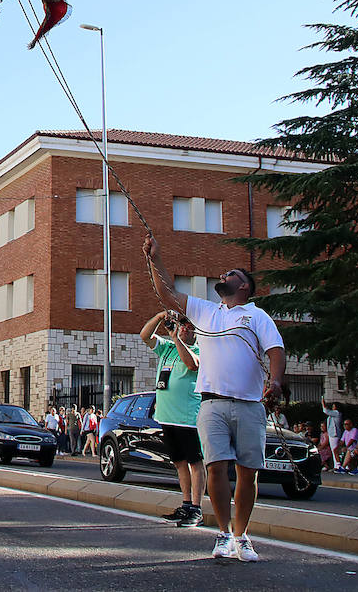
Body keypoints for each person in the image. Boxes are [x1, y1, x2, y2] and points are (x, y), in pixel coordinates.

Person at [143, 235, 283, 563]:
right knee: (216, 468)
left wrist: (275, 381)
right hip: (211, 404)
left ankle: (241, 535)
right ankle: (222, 532)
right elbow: (167, 293)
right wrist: (155, 259)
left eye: (231, 275)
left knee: (248, 472)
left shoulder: (257, 317)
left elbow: (276, 350)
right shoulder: (206, 312)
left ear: (245, 287)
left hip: (249, 405)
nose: (223, 277)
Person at [139, 309, 205, 526]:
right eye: (182, 324)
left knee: (195, 462)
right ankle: (185, 504)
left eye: (189, 326)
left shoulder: (200, 350)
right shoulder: (167, 349)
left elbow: (192, 364)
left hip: (188, 419)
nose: (185, 328)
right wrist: (159, 318)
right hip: (167, 417)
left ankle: (196, 507)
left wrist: (177, 338)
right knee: (179, 463)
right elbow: (145, 336)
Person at [323, 400, 343, 471]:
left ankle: (338, 465)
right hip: (331, 433)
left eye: (334, 406)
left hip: (335, 434)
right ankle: (336, 465)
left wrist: (323, 403)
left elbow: (325, 411)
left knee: (335, 449)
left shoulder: (337, 413)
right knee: (333, 450)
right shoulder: (333, 414)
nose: (332, 407)